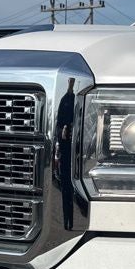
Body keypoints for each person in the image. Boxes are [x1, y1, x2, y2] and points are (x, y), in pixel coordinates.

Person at [55, 78, 76, 230]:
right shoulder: (65, 100)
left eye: (72, 82)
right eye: (70, 81)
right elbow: (59, 125)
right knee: (65, 188)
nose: (71, 83)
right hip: (65, 152)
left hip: (74, 155)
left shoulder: (72, 100)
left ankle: (70, 222)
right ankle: (67, 222)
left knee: (70, 189)